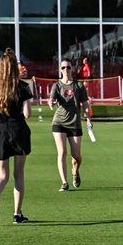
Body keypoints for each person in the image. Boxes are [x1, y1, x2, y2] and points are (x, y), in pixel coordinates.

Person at [0, 48, 33, 224]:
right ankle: (17, 214)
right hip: (18, 130)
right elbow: (27, 113)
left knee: (2, 175)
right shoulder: (22, 87)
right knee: (18, 174)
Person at [49, 60, 91, 192]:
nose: (66, 70)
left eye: (68, 67)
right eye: (63, 67)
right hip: (59, 122)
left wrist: (88, 119)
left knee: (76, 156)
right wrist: (51, 102)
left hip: (74, 123)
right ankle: (64, 182)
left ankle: (75, 171)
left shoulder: (78, 86)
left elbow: (85, 103)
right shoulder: (57, 85)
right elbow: (51, 99)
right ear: (60, 70)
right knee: (62, 152)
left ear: (71, 69)